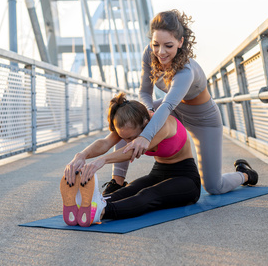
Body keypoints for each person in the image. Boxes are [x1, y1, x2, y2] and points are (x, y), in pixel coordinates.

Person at [102, 9, 258, 196]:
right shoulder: (149, 55)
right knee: (128, 120)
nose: (161, 52)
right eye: (156, 44)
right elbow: (144, 91)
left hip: (203, 119)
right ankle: (117, 181)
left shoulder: (186, 71)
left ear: (180, 42)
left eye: (168, 45)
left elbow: (168, 105)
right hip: (175, 109)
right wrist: (148, 111)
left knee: (214, 187)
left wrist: (145, 136)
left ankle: (244, 174)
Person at [60, 92, 201, 226]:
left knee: (148, 194)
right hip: (158, 172)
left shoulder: (163, 124)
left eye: (131, 138)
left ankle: (102, 211)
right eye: (125, 138)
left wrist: (101, 160)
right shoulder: (132, 125)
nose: (128, 141)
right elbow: (105, 143)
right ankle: (89, 204)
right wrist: (81, 156)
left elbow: (131, 150)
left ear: (146, 123)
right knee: (127, 191)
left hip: (186, 178)